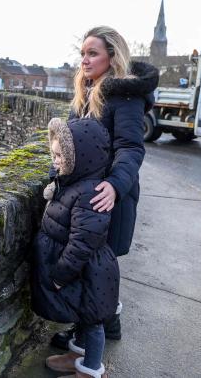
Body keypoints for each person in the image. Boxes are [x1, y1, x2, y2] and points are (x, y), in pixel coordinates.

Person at [49, 26, 159, 349]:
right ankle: (103, 325)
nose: (84, 59)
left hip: (109, 198)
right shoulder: (85, 91)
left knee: (96, 268)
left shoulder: (123, 96)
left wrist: (114, 185)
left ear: (112, 58)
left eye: (92, 53)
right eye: (83, 53)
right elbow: (70, 145)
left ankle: (91, 338)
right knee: (95, 268)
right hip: (86, 197)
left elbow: (131, 149)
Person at [31, 117, 117, 378]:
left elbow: (82, 244)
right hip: (83, 271)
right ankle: (77, 355)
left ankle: (90, 371)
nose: (54, 161)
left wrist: (60, 275)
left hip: (88, 271)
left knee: (92, 321)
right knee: (82, 315)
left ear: (80, 158)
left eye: (60, 156)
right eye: (53, 154)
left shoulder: (90, 194)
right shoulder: (72, 183)